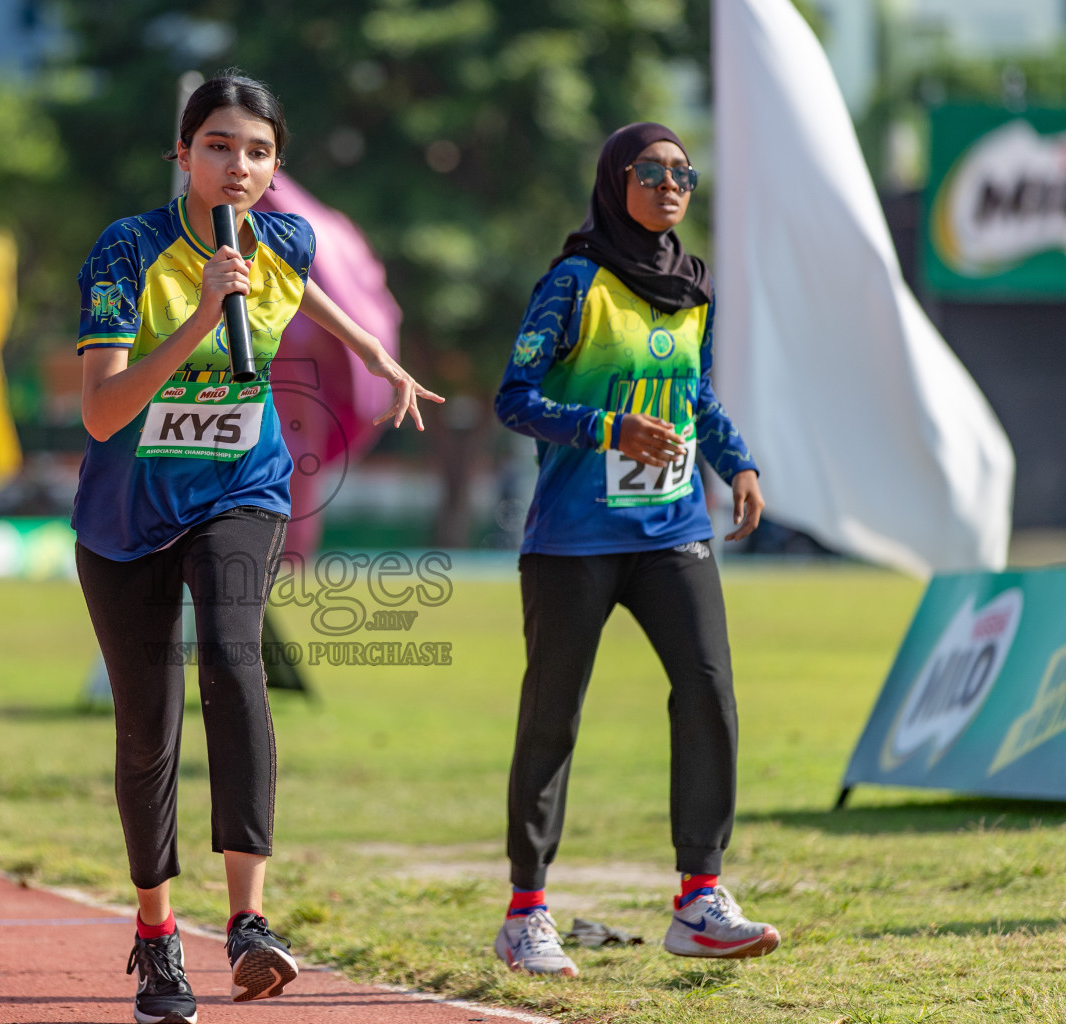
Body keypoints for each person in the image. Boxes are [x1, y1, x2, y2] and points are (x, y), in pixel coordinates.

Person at [74, 74, 442, 1024]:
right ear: (183, 154)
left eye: (259, 151)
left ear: (276, 165)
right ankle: (157, 938)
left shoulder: (281, 238)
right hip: (129, 513)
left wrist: (371, 349)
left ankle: (247, 924)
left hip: (242, 488)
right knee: (148, 727)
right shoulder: (128, 251)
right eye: (220, 147)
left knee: (236, 664)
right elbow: (104, 410)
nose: (239, 166)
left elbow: (300, 288)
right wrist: (199, 317)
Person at [490, 122, 778, 977]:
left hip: (673, 531)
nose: (669, 183)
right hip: (574, 540)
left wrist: (740, 462)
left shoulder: (694, 287)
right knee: (553, 719)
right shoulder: (575, 281)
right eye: (650, 171)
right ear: (616, 181)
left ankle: (699, 898)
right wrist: (607, 427)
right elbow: (516, 397)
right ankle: (525, 913)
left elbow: (699, 394)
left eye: (682, 172)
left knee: (709, 694)